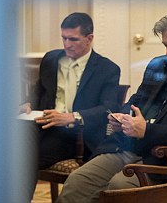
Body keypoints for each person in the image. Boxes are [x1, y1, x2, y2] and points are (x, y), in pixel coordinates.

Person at [56, 9, 167, 203]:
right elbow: (137, 100)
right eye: (166, 45)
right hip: (131, 149)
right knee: (77, 182)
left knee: (120, 188)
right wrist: (121, 116)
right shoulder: (160, 65)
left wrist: (147, 130)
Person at [20, 12, 121, 201]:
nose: (67, 44)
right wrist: (27, 104)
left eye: (73, 39)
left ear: (89, 38)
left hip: (75, 135)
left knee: (23, 157)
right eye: (64, 38)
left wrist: (72, 117)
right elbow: (39, 90)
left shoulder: (107, 69)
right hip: (41, 125)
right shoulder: (51, 59)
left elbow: (109, 108)